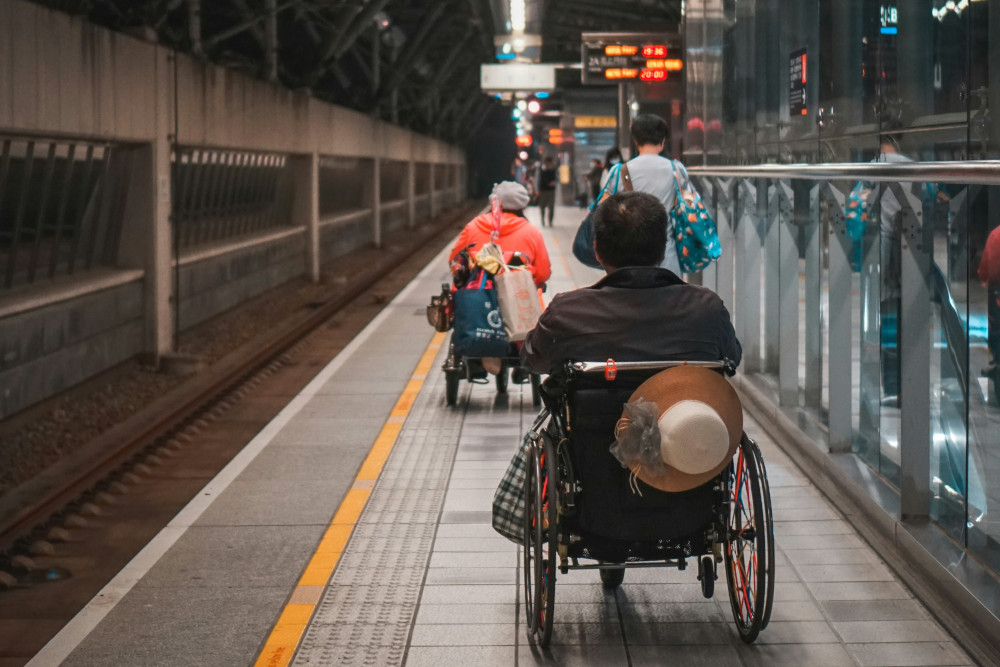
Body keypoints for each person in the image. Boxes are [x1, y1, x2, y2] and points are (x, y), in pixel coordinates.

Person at [522, 191, 741, 374]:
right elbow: (732, 357)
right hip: (684, 423)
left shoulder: (566, 312)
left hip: (592, 424)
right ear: (664, 249)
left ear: (597, 250)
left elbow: (532, 358)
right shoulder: (707, 308)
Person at [600, 114, 685, 275]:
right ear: (663, 141)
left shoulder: (618, 172)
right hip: (667, 259)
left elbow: (603, 213)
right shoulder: (677, 170)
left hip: (626, 261)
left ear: (636, 141)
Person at [449, 181, 551, 289]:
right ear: (522, 206)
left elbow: (454, 261)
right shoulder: (532, 232)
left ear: (494, 202)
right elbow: (543, 273)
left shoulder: (472, 226)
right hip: (519, 298)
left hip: (477, 297)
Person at [536, 157, 558, 227]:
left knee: (551, 207)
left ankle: (550, 221)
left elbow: (556, 179)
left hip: (550, 191)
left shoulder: (553, 170)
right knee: (542, 207)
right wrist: (537, 190)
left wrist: (554, 183)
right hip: (543, 190)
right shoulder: (541, 170)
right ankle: (542, 220)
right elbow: (538, 180)